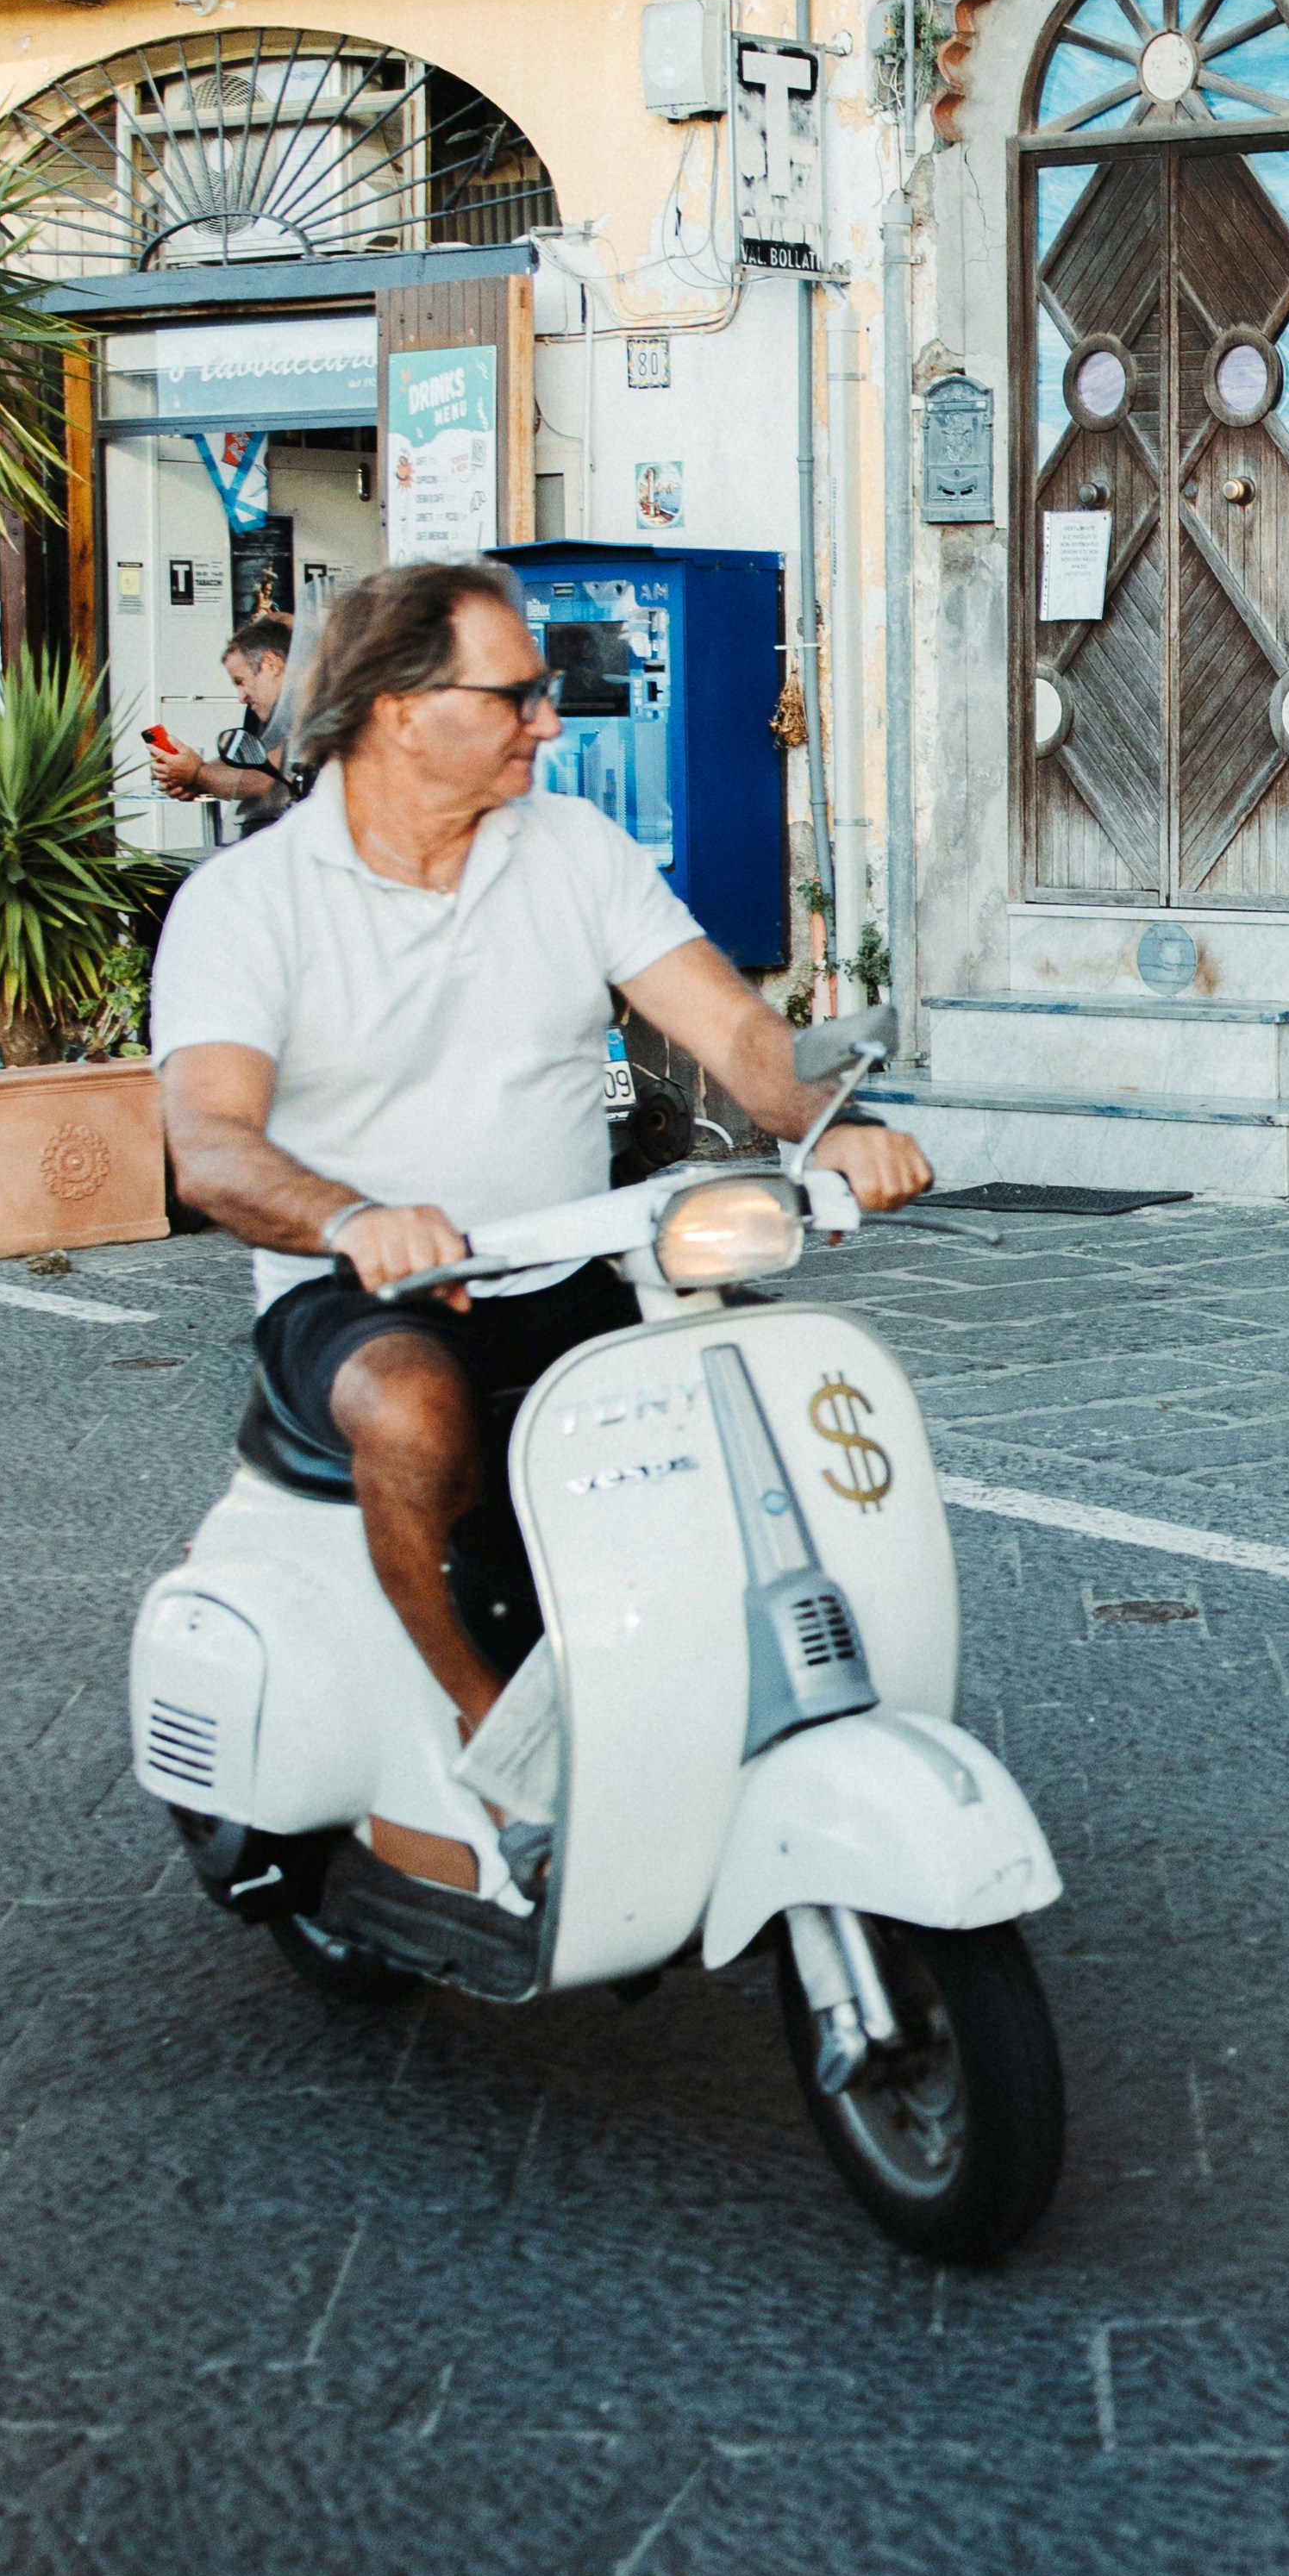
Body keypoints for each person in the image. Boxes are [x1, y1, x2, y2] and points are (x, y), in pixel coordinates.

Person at [151, 560, 932, 1771]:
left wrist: (833, 1119)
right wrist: (352, 1218)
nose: (551, 719)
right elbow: (209, 1142)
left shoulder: (573, 847)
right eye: (517, 693)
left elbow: (734, 1032)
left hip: (571, 1260)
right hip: (361, 1288)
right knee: (413, 1410)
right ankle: (484, 1730)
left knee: (752, 1401)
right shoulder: (247, 901)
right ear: (402, 709)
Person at [150, 606, 297, 835]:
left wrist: (196, 773)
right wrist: (189, 772)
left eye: (240, 681)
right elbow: (245, 762)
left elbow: (261, 782)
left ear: (270, 664)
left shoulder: (298, 704)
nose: (241, 697)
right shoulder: (266, 709)